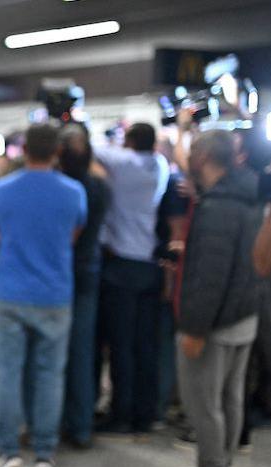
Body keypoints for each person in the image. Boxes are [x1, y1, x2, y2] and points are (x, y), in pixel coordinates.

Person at [0, 123, 87, 467]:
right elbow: (74, 234)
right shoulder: (74, 192)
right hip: (55, 294)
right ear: (57, 151)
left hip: (10, 291)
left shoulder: (1, 189)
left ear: (23, 150)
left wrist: (10, 246)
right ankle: (45, 453)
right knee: (49, 375)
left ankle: (8, 450)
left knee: (9, 374)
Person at [169, 130, 262, 467]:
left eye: (192, 151)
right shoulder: (249, 196)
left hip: (215, 320)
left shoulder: (218, 208)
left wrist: (195, 328)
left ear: (205, 157)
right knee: (230, 397)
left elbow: (210, 274)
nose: (187, 157)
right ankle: (222, 465)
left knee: (203, 400)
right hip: (246, 312)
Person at [93, 123, 170, 439]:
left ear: (130, 141)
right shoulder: (161, 165)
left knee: (122, 347)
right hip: (149, 265)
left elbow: (93, 147)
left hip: (123, 266)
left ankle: (121, 414)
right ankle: (145, 413)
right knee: (146, 345)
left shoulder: (124, 164)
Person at [58, 125, 110, 449]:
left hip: (60, 274)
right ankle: (81, 425)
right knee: (82, 351)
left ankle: (57, 419)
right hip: (89, 271)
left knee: (53, 353)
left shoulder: (62, 190)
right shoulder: (101, 188)